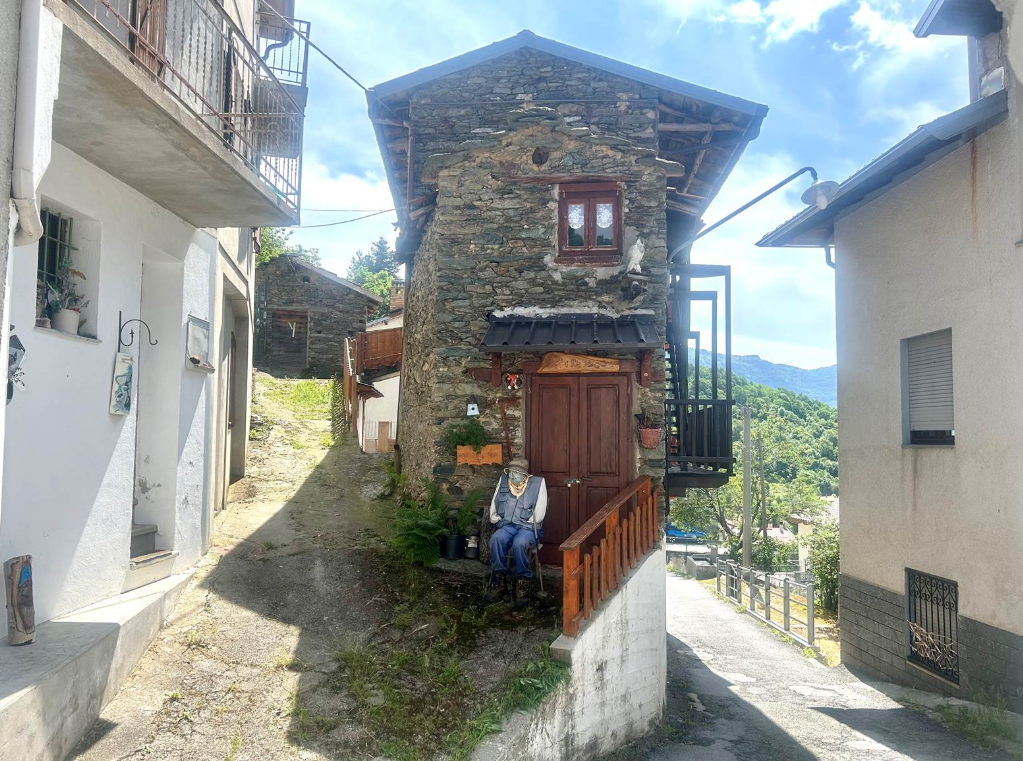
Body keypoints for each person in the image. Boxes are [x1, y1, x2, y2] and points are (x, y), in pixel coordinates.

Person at [484, 457, 546, 606]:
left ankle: (522, 582)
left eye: (517, 473)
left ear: (525, 475)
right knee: (496, 539)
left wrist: (529, 522)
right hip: (508, 524)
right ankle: (499, 579)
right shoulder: (504, 480)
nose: (513, 475)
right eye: (511, 472)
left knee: (520, 543)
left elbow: (540, 510)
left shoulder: (538, 483)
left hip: (528, 526)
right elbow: (495, 500)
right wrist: (495, 518)